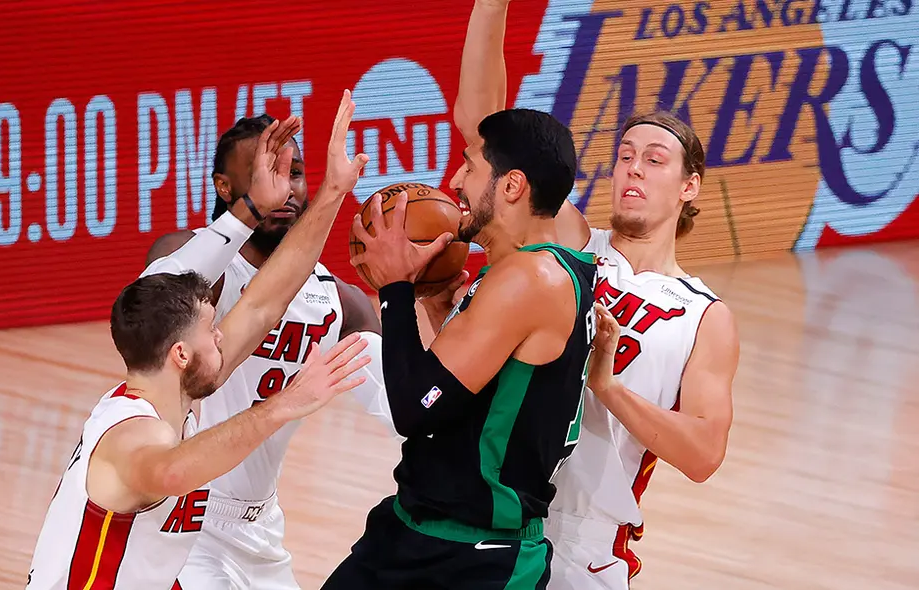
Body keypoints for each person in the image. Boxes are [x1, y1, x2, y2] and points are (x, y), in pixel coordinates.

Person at [24, 91, 372, 590]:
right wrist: (286, 403)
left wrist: (333, 192)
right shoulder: (133, 435)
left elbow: (264, 303)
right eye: (213, 331)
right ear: (181, 354)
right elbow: (168, 474)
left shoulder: (171, 393)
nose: (225, 335)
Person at [446, 2, 741, 588]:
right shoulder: (574, 242)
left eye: (654, 161)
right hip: (496, 513)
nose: (633, 168)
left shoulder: (704, 316)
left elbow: (705, 454)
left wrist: (606, 386)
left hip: (589, 549)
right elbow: (489, 129)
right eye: (625, 156)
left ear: (689, 187)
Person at [141, 102, 433, 587]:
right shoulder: (187, 260)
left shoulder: (338, 303)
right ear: (225, 187)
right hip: (178, 516)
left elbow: (412, 409)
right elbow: (193, 290)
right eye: (266, 171)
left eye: (295, 172)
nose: (287, 187)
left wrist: (434, 301)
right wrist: (250, 211)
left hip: (259, 527)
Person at [321, 105, 599, 590]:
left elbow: (414, 410)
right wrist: (432, 309)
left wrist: (395, 291)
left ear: (512, 186)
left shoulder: (530, 279)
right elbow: (453, 399)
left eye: (471, 168)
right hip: (413, 528)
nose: (454, 181)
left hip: (477, 560)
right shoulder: (526, 272)